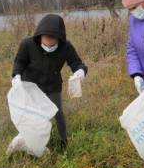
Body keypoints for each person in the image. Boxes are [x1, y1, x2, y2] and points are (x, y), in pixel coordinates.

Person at [12, 14, 88, 149]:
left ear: (59, 38)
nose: (48, 43)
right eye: (46, 38)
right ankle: (31, 143)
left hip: (53, 86)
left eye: (53, 39)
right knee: (32, 115)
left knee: (57, 113)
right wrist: (16, 76)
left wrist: (80, 73)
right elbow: (19, 62)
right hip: (31, 86)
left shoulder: (66, 47)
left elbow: (77, 63)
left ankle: (64, 143)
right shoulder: (28, 44)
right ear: (40, 35)